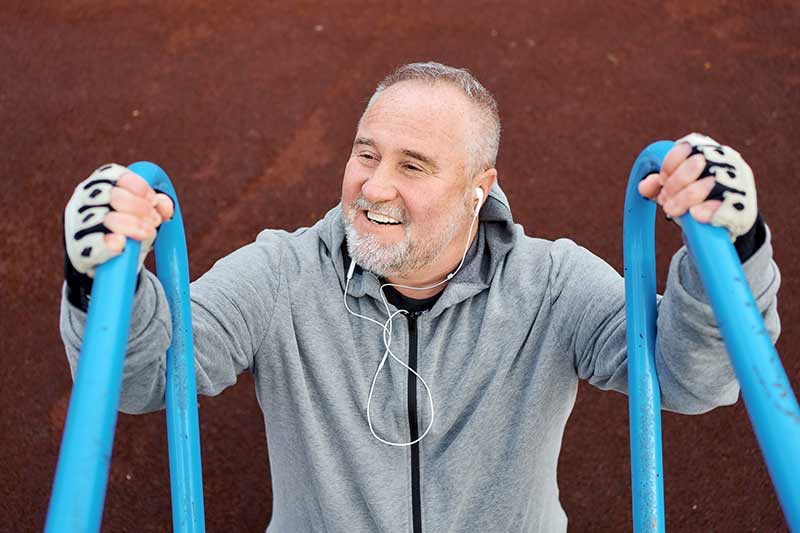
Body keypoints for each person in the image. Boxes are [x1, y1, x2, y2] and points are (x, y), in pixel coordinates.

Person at [60, 62, 780, 532]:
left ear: (479, 186)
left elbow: (692, 378)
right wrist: (96, 278)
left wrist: (734, 248)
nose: (374, 186)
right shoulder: (282, 274)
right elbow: (147, 376)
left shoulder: (551, 284)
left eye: (413, 165)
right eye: (366, 153)